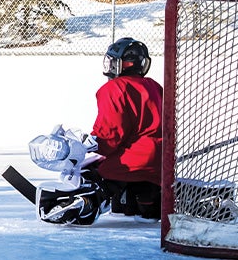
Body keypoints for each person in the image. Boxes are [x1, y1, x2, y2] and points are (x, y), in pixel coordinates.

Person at [35, 37, 163, 225]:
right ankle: (143, 203)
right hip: (159, 164)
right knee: (135, 179)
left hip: (131, 163)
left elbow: (110, 136)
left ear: (118, 64)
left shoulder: (114, 88)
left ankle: (85, 203)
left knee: (90, 171)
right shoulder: (154, 86)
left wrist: (92, 143)